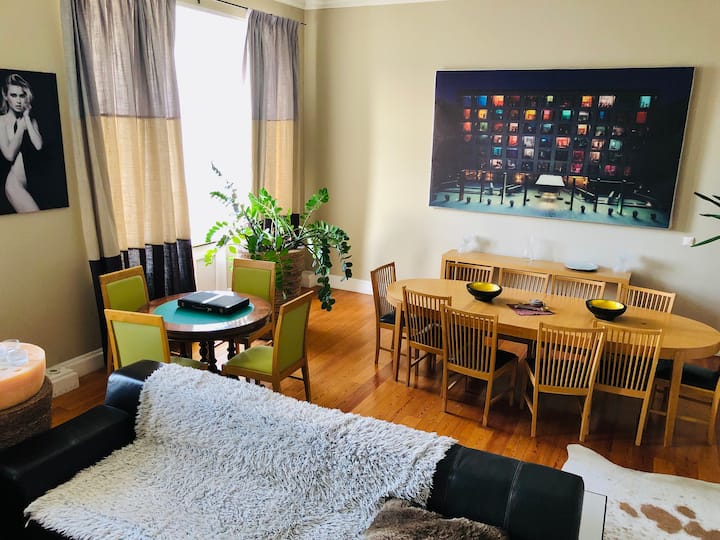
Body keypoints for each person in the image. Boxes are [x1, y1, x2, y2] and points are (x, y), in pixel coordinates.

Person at [0, 74, 43, 213]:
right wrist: (20, 129)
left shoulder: (31, 120)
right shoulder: (2, 122)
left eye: (22, 95)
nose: (18, 100)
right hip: (14, 184)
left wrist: (27, 119)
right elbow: (9, 155)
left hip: (32, 183)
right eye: (13, 95)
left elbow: (38, 146)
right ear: (5, 96)